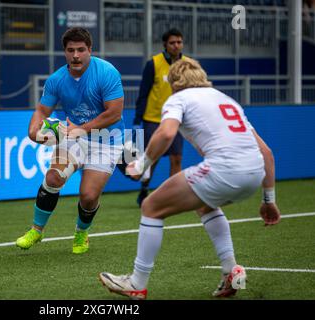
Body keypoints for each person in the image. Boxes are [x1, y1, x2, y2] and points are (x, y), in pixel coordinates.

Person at [99, 58, 281, 300]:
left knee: (151, 207)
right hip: (254, 172)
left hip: (224, 170)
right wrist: (269, 200)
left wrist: (141, 165)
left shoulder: (178, 98)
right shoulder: (227, 100)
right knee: (205, 204)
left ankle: (136, 283)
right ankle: (230, 270)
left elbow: (166, 133)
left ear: (174, 83)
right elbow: (266, 153)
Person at [15, 27, 125, 254]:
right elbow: (42, 110)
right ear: (64, 52)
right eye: (71, 50)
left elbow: (114, 113)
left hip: (107, 140)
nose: (76, 55)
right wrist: (33, 130)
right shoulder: (56, 80)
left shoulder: (107, 72)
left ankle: (81, 233)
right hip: (75, 136)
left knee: (88, 195)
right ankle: (36, 230)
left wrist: (80, 129)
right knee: (53, 177)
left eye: (81, 50)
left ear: (90, 50)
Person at [118, 28, 185, 207]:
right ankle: (144, 189)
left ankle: (174, 196)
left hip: (177, 120)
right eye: (172, 42)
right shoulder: (153, 64)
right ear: (165, 45)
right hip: (153, 119)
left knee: (176, 158)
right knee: (152, 157)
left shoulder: (188, 65)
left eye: (179, 42)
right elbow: (143, 93)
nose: (176, 45)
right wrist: (137, 120)